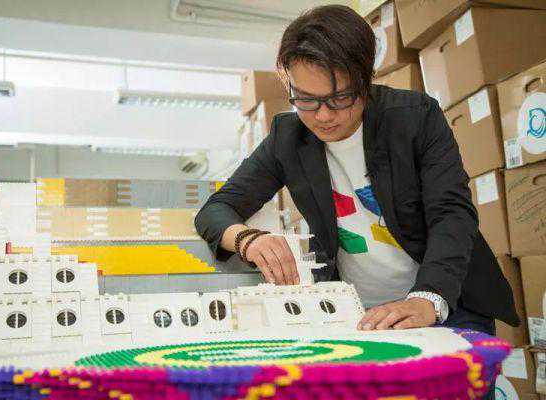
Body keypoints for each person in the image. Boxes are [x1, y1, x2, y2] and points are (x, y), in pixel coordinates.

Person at [195, 5, 518, 336]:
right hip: (357, 313)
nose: (322, 116)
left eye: (339, 99)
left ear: (365, 82)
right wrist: (248, 239)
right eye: (305, 99)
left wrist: (428, 298)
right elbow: (216, 209)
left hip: (445, 302)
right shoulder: (287, 138)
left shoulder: (414, 118)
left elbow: (451, 213)